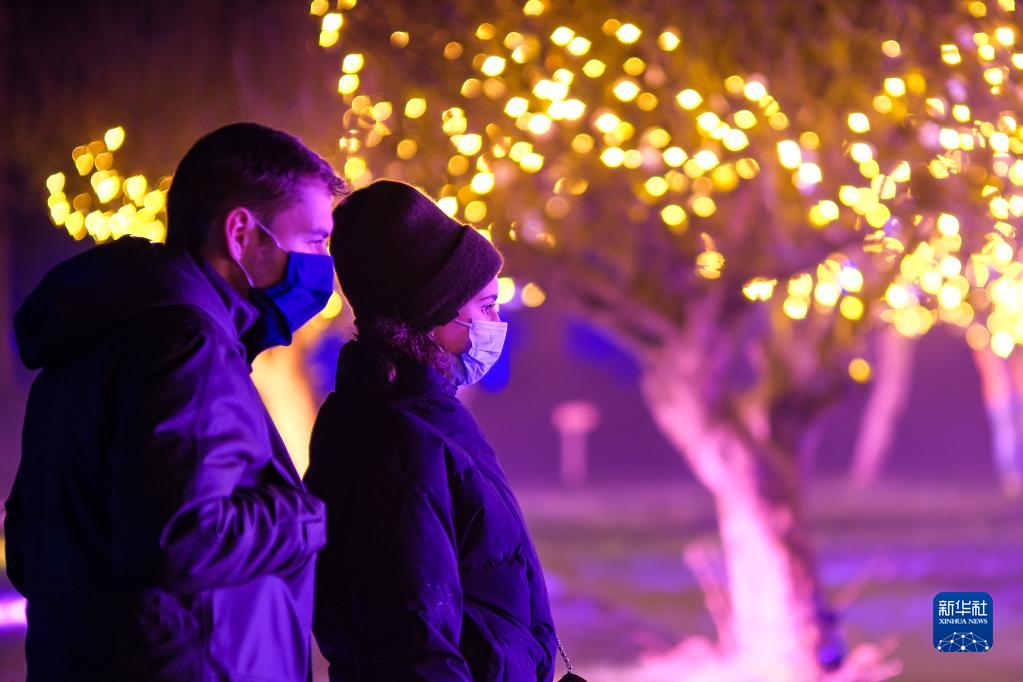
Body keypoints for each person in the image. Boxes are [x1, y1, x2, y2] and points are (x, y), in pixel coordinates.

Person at [5, 122, 345, 681]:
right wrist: (306, 515)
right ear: (241, 233)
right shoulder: (187, 346)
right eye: (313, 240)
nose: (323, 263)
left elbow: (31, 544)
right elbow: (182, 537)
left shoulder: (100, 335)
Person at [305, 180, 560, 681]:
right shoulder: (397, 436)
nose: (496, 321)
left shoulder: (423, 414)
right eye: (485, 306)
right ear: (431, 313)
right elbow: (413, 638)